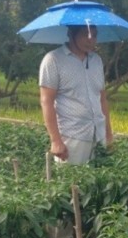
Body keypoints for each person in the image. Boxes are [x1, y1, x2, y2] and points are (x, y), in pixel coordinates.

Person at [39, 25, 112, 165]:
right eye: (85, 34)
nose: (91, 40)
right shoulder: (53, 60)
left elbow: (102, 99)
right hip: (72, 137)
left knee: (100, 177)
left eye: (94, 35)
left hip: (98, 135)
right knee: (70, 178)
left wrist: (108, 134)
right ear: (70, 34)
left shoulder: (96, 60)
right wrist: (56, 141)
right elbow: (46, 101)